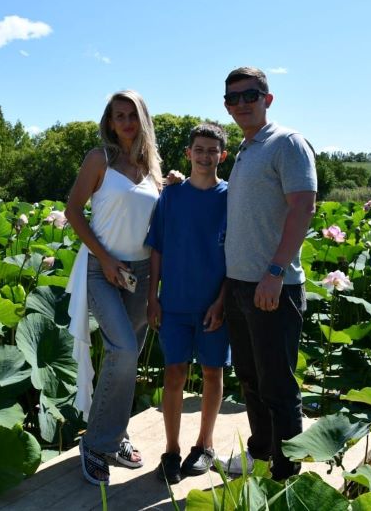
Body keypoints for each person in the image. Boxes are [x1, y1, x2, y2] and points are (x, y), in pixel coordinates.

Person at [220, 66, 317, 481]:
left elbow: (303, 208)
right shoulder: (245, 150)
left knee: (278, 386)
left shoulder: (287, 143)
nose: (242, 103)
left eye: (250, 95)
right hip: (239, 285)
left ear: (268, 99)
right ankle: (260, 454)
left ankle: (285, 472)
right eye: (233, 98)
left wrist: (275, 271)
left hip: (274, 285)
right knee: (250, 380)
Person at [65, 90, 163, 485]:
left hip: (139, 273)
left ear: (142, 120)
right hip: (101, 267)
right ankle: (95, 442)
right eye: (118, 116)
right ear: (109, 121)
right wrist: (104, 259)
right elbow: (73, 210)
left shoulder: (152, 167)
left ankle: (116, 434)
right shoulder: (99, 159)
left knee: (128, 356)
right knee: (122, 350)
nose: (125, 122)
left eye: (131, 115)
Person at [145, 123, 232, 484]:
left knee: (213, 372)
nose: (205, 156)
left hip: (214, 303)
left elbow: (237, 255)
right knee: (174, 373)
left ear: (222, 156)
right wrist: (153, 297)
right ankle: (170, 451)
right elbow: (158, 249)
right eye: (199, 149)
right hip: (175, 303)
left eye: (212, 151)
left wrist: (223, 301)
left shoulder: (231, 196)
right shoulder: (171, 195)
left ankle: (204, 446)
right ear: (188, 153)